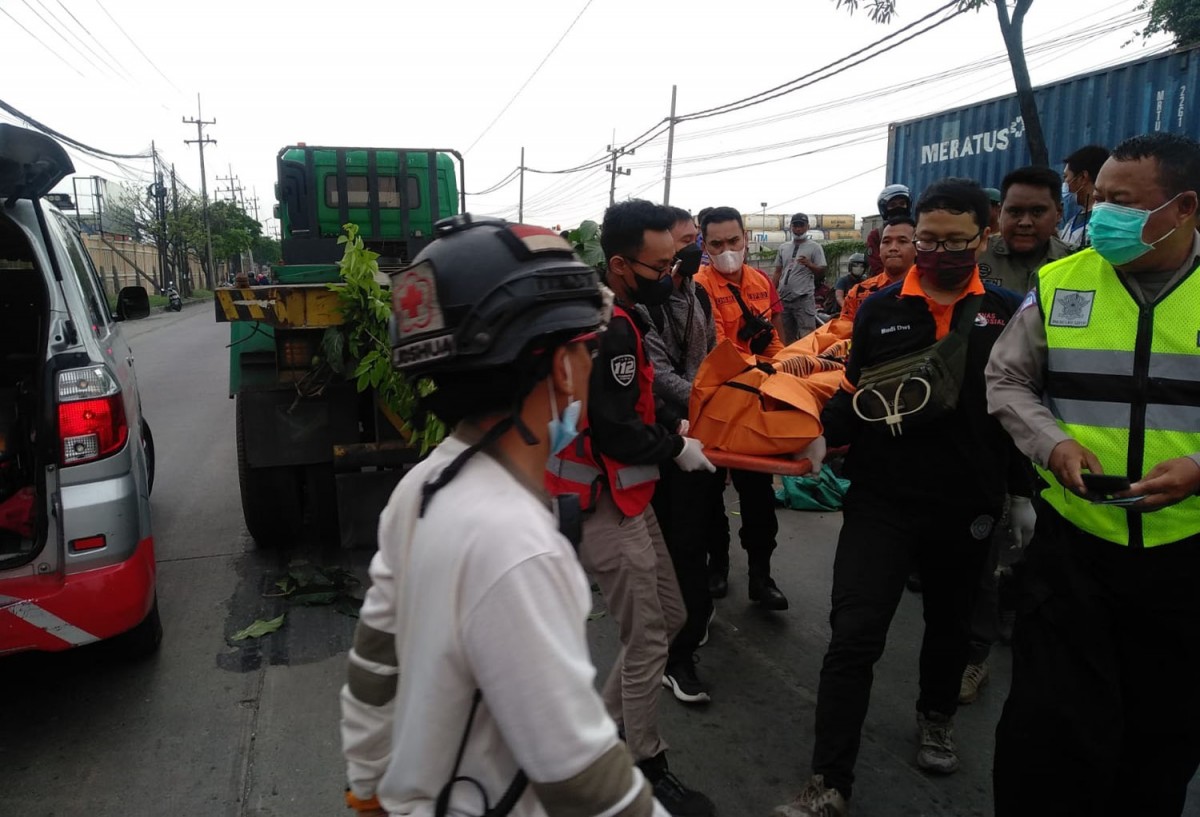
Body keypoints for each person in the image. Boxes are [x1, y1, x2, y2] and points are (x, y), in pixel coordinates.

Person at [340, 214, 670, 817]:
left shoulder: (422, 485)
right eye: (584, 348)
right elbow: (581, 781)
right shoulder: (518, 543)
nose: (589, 366)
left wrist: (367, 790)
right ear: (564, 368)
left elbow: (372, 669)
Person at [774, 179, 1028, 817]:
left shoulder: (1010, 310)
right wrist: (815, 441)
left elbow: (1020, 404)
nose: (937, 252)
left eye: (954, 241)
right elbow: (858, 392)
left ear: (983, 237)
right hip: (882, 499)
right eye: (927, 239)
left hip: (968, 502)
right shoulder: (880, 308)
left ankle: (936, 715)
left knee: (948, 624)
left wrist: (1021, 494)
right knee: (854, 634)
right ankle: (829, 779)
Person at [987, 132, 1200, 817]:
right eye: (1097, 196)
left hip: (1184, 557)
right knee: (1045, 736)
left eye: (1119, 201)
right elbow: (1007, 380)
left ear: (1183, 207)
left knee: (1158, 739)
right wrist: (1051, 444)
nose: (1098, 212)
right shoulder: (1062, 280)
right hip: (1073, 546)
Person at [548, 199, 717, 817]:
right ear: (620, 265)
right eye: (661, 264)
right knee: (647, 639)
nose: (673, 272)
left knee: (669, 617)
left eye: (676, 259)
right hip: (602, 497)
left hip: (623, 490)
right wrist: (680, 448)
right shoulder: (611, 326)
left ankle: (603, 735)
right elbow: (616, 429)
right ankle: (644, 767)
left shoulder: (604, 311)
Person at [638, 206, 719, 706]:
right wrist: (704, 401)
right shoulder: (642, 304)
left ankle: (688, 626)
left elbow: (708, 352)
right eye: (685, 240)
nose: (696, 248)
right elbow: (657, 373)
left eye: (696, 241)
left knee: (696, 539)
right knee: (671, 548)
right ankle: (675, 654)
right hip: (661, 438)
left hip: (698, 433)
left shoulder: (696, 293)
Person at [694, 206, 789, 611]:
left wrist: (782, 371)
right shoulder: (698, 286)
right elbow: (713, 350)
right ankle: (717, 565)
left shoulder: (761, 281)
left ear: (745, 237)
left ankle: (761, 576)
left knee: (759, 496)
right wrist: (752, 352)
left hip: (756, 403)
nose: (727, 250)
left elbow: (776, 344)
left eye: (734, 241)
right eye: (717, 243)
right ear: (704, 245)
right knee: (710, 494)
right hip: (714, 404)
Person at [977, 166, 1072, 294]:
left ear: (1058, 213)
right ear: (1000, 213)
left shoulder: (1076, 262)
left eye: (1037, 212)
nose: (1025, 222)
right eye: (1015, 212)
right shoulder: (975, 256)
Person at [839, 216, 915, 324]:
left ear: (917, 247)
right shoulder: (859, 293)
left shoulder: (932, 290)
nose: (893, 247)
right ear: (879, 250)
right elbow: (842, 332)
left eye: (902, 241)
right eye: (886, 241)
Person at [772, 213, 828, 344]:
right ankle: (789, 363)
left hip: (803, 299)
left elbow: (822, 272)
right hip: (784, 299)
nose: (798, 229)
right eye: (795, 225)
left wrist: (810, 265)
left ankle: (808, 363)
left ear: (807, 227)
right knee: (784, 337)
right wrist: (771, 294)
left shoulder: (815, 247)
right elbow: (777, 272)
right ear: (791, 227)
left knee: (807, 337)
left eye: (801, 225)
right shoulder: (783, 247)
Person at [1059, 143, 1111, 249]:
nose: (1065, 183)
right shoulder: (1071, 223)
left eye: (1066, 177)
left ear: (1083, 177)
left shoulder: (1104, 224)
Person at [865, 184, 911, 276]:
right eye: (893, 204)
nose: (898, 207)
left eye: (902, 204)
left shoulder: (916, 231)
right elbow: (875, 264)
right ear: (884, 208)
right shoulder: (876, 235)